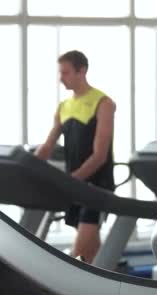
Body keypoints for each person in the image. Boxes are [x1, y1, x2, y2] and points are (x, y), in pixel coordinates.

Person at [35, 50, 116, 264]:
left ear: (82, 71)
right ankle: (105, 294)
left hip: (97, 186)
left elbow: (99, 155)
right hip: (75, 185)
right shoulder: (64, 107)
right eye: (60, 73)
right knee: (92, 255)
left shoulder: (103, 103)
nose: (61, 78)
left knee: (77, 255)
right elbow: (47, 146)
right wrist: (27, 169)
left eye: (66, 72)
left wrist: (70, 181)